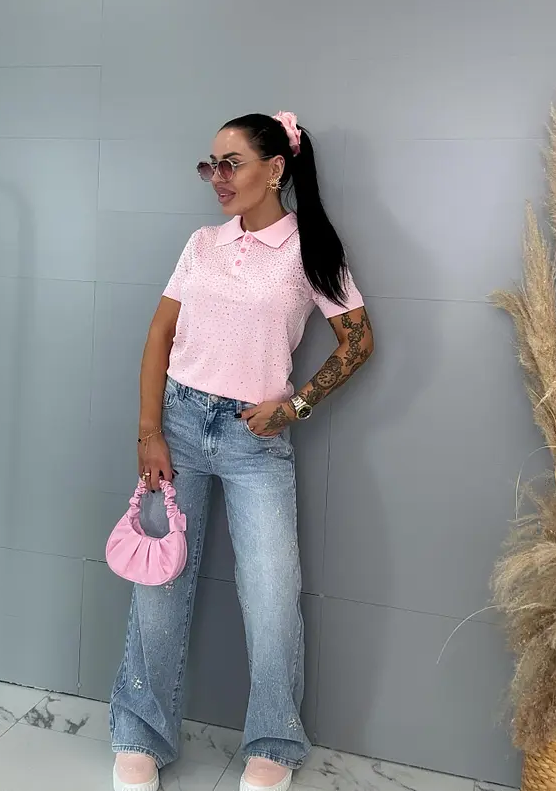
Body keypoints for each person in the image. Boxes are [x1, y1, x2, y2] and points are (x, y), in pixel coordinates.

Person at [110, 112, 374, 791]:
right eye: (211, 165)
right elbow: (159, 335)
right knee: (159, 583)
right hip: (177, 426)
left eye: (231, 163)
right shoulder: (202, 243)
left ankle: (274, 740)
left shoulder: (310, 250)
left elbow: (359, 339)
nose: (217, 178)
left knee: (271, 593)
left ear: (275, 169)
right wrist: (149, 429)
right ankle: (140, 733)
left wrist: (296, 406)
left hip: (254, 440)